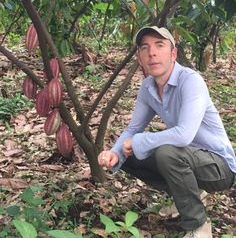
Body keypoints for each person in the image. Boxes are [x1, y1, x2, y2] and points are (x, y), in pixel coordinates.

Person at [98, 26, 236, 238]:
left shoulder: (191, 81)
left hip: (220, 167)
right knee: (127, 157)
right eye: (145, 48)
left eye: (159, 46)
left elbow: (183, 135)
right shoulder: (148, 87)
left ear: (173, 54)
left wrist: (138, 141)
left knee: (166, 153)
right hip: (189, 157)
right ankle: (187, 196)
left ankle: (198, 226)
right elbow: (134, 128)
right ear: (140, 58)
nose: (152, 53)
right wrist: (115, 152)